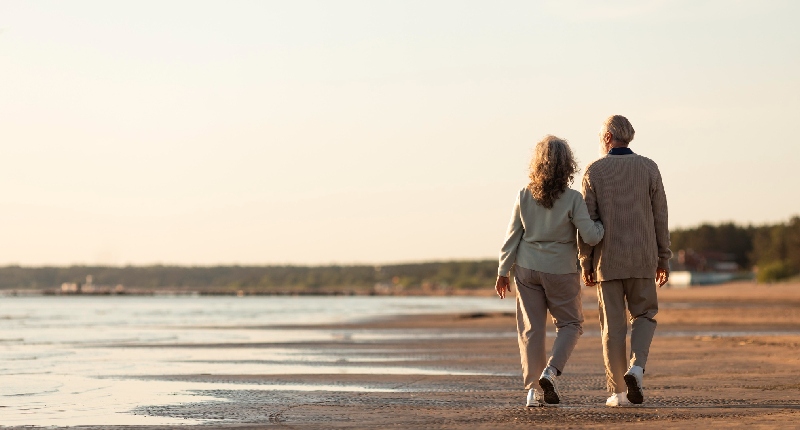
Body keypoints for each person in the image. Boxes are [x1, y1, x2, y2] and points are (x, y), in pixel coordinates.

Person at [495, 135, 604, 407]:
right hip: (560, 270)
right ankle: (550, 372)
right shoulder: (573, 199)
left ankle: (533, 391)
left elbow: (512, 238)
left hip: (527, 269)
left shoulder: (524, 195)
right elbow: (590, 236)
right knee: (571, 324)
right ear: (567, 165)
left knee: (531, 331)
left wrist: (502, 272)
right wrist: (602, 226)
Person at [578, 115, 671, 407]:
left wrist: (586, 263)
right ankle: (637, 368)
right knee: (644, 316)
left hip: (608, 262)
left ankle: (618, 392)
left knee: (613, 328)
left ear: (607, 138)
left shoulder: (594, 171)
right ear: (628, 136)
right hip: (643, 258)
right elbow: (660, 217)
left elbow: (587, 223)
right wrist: (663, 258)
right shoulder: (649, 167)